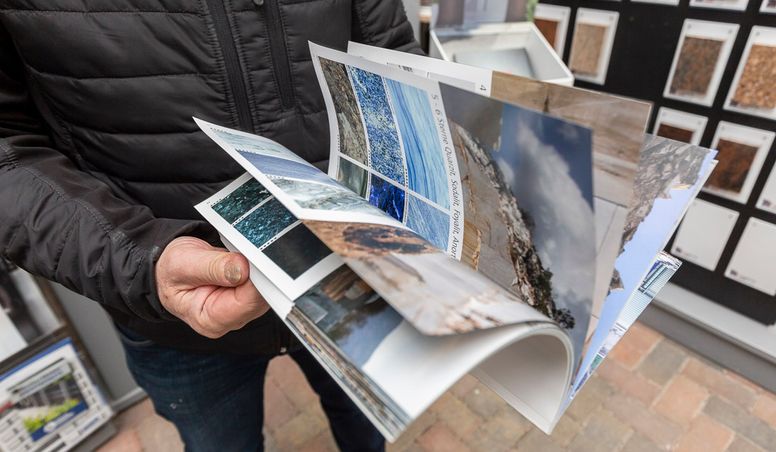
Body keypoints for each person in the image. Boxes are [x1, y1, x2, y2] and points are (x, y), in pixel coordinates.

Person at [0, 2, 420, 451]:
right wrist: (136, 261)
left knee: (367, 430)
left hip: (346, 271)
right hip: (173, 314)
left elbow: (386, 53)